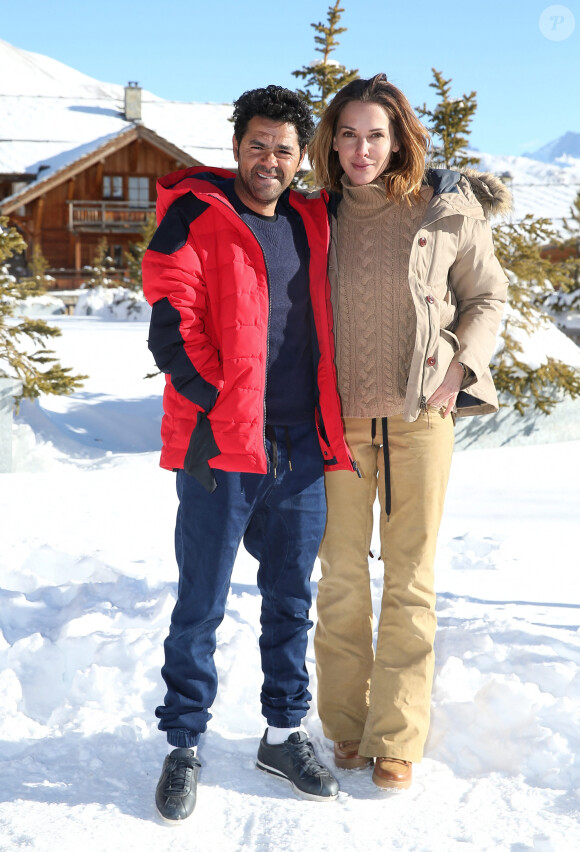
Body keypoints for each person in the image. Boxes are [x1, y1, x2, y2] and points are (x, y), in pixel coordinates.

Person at [142, 85, 356, 822]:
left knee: (291, 599)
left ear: (302, 159)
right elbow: (173, 328)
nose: (270, 159)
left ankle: (282, 733)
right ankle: (184, 744)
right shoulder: (194, 218)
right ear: (237, 146)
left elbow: (383, 195)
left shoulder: (310, 218)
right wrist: (228, 408)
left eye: (285, 149)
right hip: (221, 446)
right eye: (258, 144)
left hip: (301, 447)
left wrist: (442, 183)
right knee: (201, 600)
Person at [308, 74, 510, 790]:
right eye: (349, 133)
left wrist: (460, 366)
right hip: (338, 424)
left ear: (399, 140)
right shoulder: (316, 213)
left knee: (410, 579)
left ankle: (397, 735)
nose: (361, 148)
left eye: (376, 134)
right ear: (332, 140)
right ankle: (345, 727)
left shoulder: (446, 206)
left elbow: (488, 295)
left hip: (422, 417)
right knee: (339, 578)